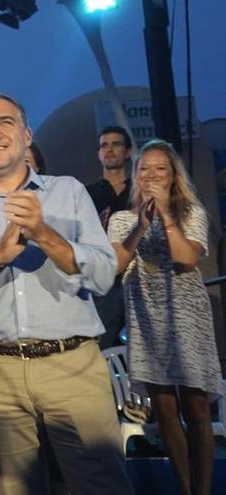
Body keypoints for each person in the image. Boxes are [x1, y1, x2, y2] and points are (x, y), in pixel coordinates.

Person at [0, 91, 133, 494]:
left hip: (72, 363)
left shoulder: (69, 192)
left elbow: (104, 273)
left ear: (26, 135)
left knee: (100, 484)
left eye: (4, 122)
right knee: (14, 489)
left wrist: (44, 233)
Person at [108, 139, 223, 495]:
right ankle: (185, 488)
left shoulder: (191, 213)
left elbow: (188, 258)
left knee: (197, 409)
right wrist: (142, 225)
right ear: (135, 174)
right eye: (145, 168)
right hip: (146, 317)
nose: (152, 175)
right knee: (165, 409)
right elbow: (115, 265)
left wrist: (168, 218)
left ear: (173, 175)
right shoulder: (123, 219)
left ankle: (204, 489)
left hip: (187, 317)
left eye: (160, 168)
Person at [87, 126, 134, 348]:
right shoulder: (87, 193)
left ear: (128, 151)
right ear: (98, 154)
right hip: (105, 281)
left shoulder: (140, 191)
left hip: (139, 277)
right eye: (104, 145)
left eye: (115, 144)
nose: (109, 149)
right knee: (102, 345)